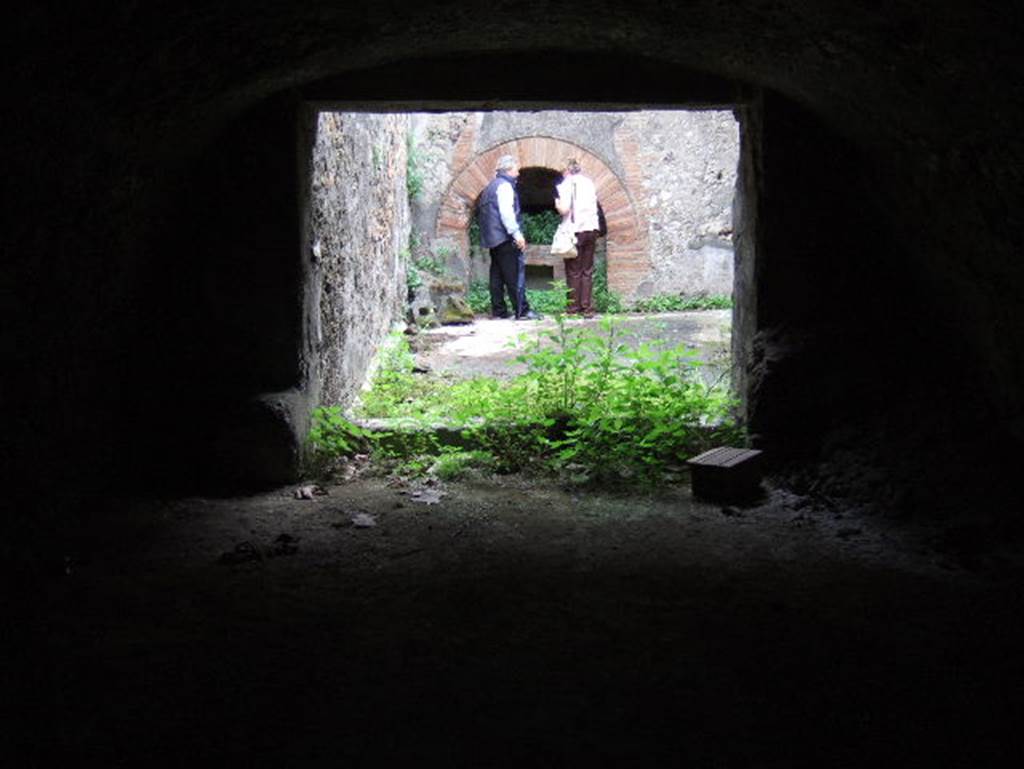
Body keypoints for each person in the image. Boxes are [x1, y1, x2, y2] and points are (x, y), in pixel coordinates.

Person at [476, 154, 539, 320]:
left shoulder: (491, 186)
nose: (518, 172)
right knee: (514, 274)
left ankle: (499, 311)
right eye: (516, 169)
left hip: (492, 238)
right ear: (509, 169)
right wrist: (517, 234)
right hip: (504, 236)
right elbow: (506, 213)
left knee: (496, 275)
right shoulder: (505, 186)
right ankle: (522, 310)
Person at [554, 158, 601, 318]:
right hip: (592, 229)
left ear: (567, 170)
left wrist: (557, 203)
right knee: (587, 270)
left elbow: (565, 210)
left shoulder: (567, 184)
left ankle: (573, 308)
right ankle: (587, 308)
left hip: (575, 231)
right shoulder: (589, 183)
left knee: (573, 271)